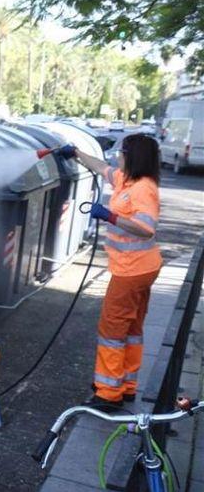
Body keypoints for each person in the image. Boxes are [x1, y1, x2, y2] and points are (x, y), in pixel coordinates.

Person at [57, 134, 162, 411]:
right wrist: (76, 152)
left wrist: (110, 216)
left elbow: (146, 227)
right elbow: (101, 168)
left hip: (131, 270)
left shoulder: (142, 188)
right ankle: (127, 386)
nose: (118, 156)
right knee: (132, 329)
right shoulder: (125, 180)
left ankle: (108, 393)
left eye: (122, 152)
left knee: (112, 329)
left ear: (133, 156)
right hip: (139, 267)